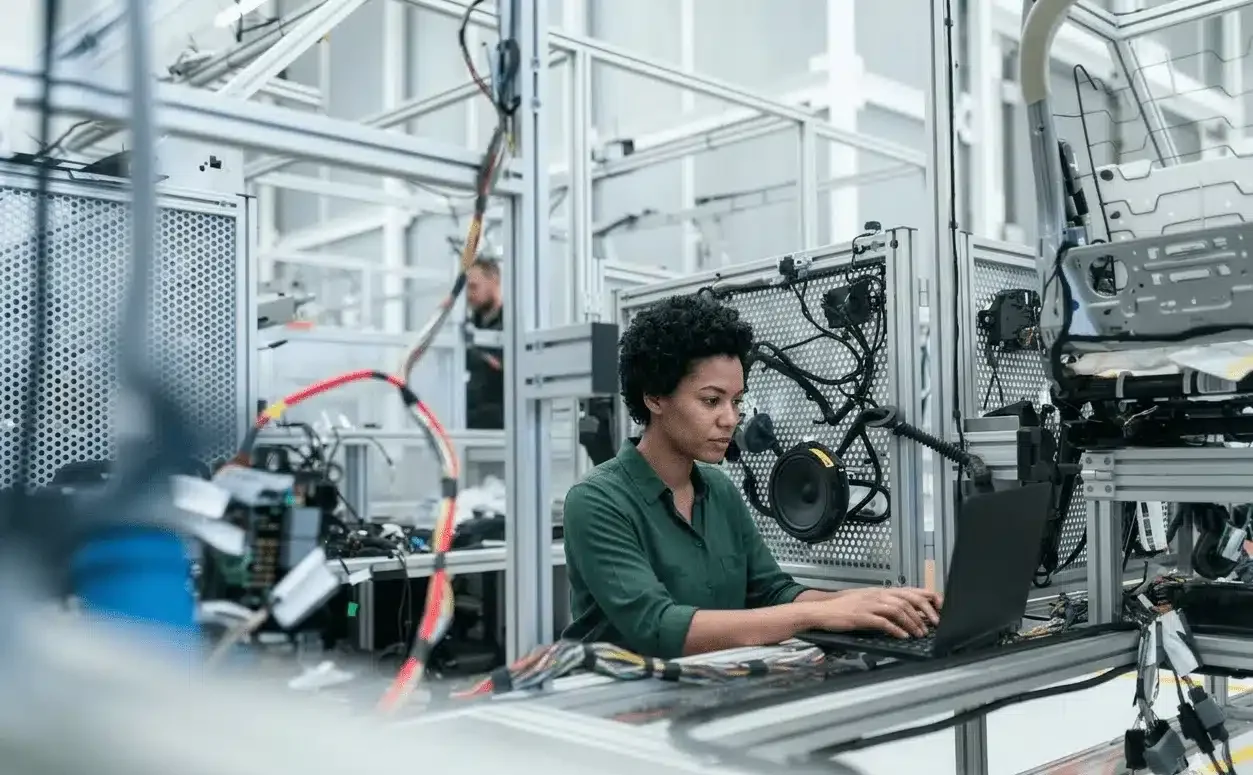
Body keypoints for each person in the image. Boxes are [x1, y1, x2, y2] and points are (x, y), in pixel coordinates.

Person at [561, 293, 941, 659]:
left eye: (737, 401)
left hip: (703, 694)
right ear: (655, 397)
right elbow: (658, 627)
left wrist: (863, 605)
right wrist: (819, 614)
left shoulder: (718, 489)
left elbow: (771, 591)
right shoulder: (596, 501)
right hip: (618, 707)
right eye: (711, 401)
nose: (730, 418)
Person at [464, 257, 504, 429]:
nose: (468, 295)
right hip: (470, 419)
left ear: (494, 282)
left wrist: (476, 354)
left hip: (500, 425)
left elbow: (502, 366)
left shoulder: (512, 324)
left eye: (473, 287)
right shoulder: (471, 325)